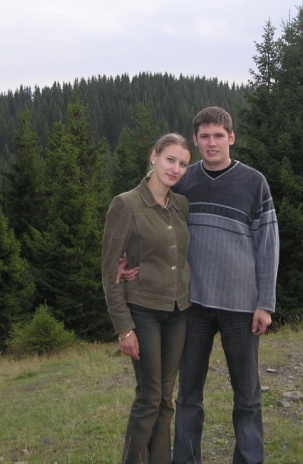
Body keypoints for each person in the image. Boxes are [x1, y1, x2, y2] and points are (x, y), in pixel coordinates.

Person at [120, 107, 279, 464]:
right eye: (204, 136)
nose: (212, 143)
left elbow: (268, 245)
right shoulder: (184, 179)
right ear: (195, 140)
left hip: (241, 306)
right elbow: (149, 216)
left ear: (231, 138)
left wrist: (265, 303)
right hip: (192, 306)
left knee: (247, 395)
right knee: (188, 395)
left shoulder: (254, 182)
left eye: (219, 135)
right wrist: (127, 257)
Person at [102, 133, 194, 464]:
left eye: (183, 164)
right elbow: (110, 273)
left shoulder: (180, 205)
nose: (175, 169)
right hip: (143, 312)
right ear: (154, 156)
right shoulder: (126, 204)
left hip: (178, 311)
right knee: (149, 397)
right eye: (170, 159)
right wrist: (124, 328)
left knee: (166, 398)